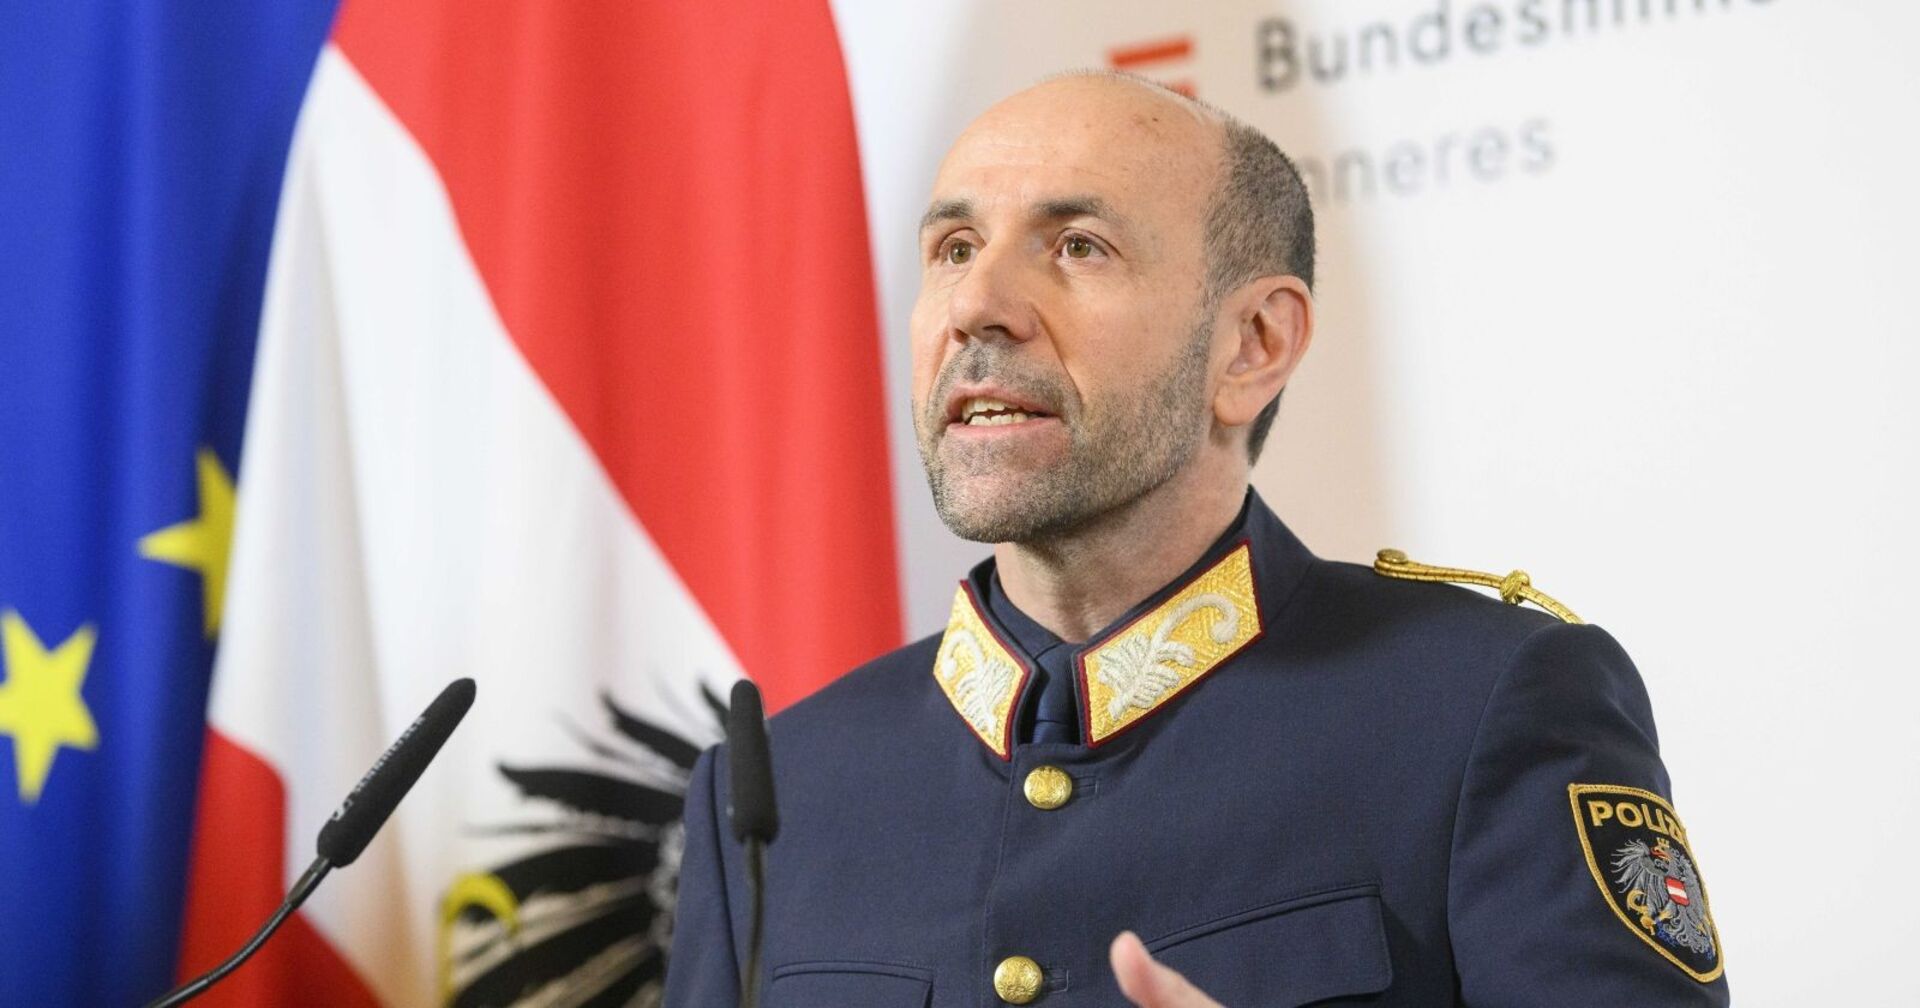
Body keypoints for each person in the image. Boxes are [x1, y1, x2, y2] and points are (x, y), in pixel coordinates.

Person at [665, 72, 1727, 1007]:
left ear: (1254, 345)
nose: (978, 306)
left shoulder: (1485, 706)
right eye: (952, 249)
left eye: (1077, 246)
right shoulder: (771, 796)